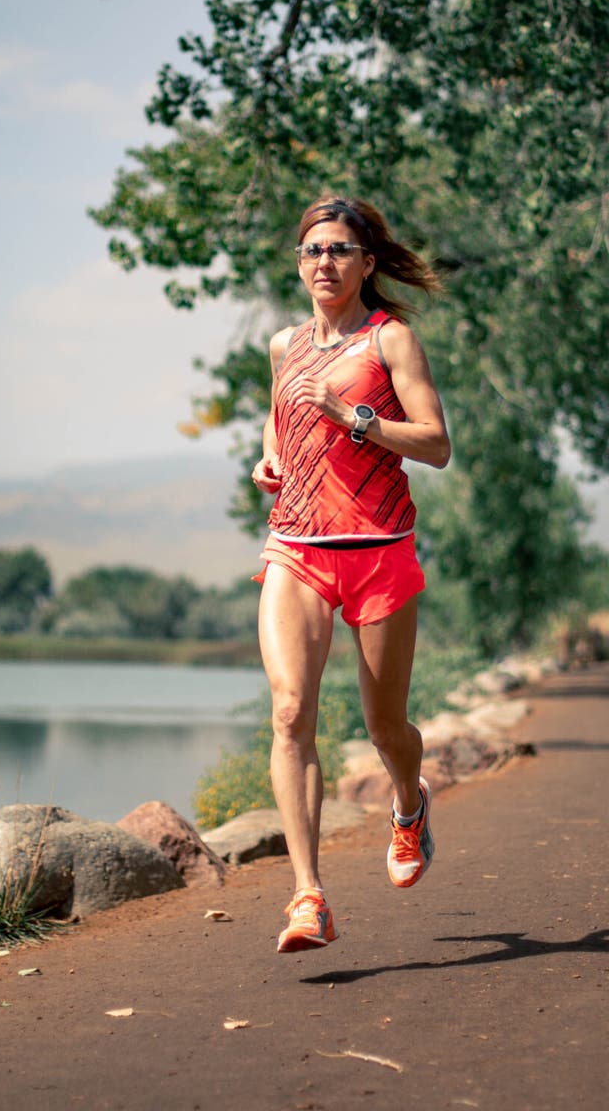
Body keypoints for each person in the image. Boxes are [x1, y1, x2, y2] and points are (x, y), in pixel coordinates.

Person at [249, 195, 452, 952]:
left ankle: (408, 803)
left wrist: (350, 415)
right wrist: (270, 454)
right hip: (297, 547)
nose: (323, 263)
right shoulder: (283, 344)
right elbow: (280, 416)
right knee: (291, 712)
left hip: (378, 548)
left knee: (384, 727)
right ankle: (308, 898)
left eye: (339, 250)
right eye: (312, 251)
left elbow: (435, 445)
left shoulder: (390, 341)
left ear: (367, 263)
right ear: (298, 263)